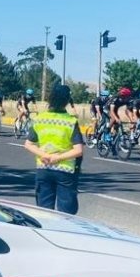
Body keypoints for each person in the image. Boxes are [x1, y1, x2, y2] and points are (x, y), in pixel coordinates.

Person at [24, 83, 84, 214]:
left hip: (44, 169)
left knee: (44, 212)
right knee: (66, 214)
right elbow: (78, 150)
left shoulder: (40, 119)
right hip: (65, 171)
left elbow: (28, 144)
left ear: (50, 99)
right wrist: (58, 157)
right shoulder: (71, 122)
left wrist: (44, 155)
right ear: (67, 101)